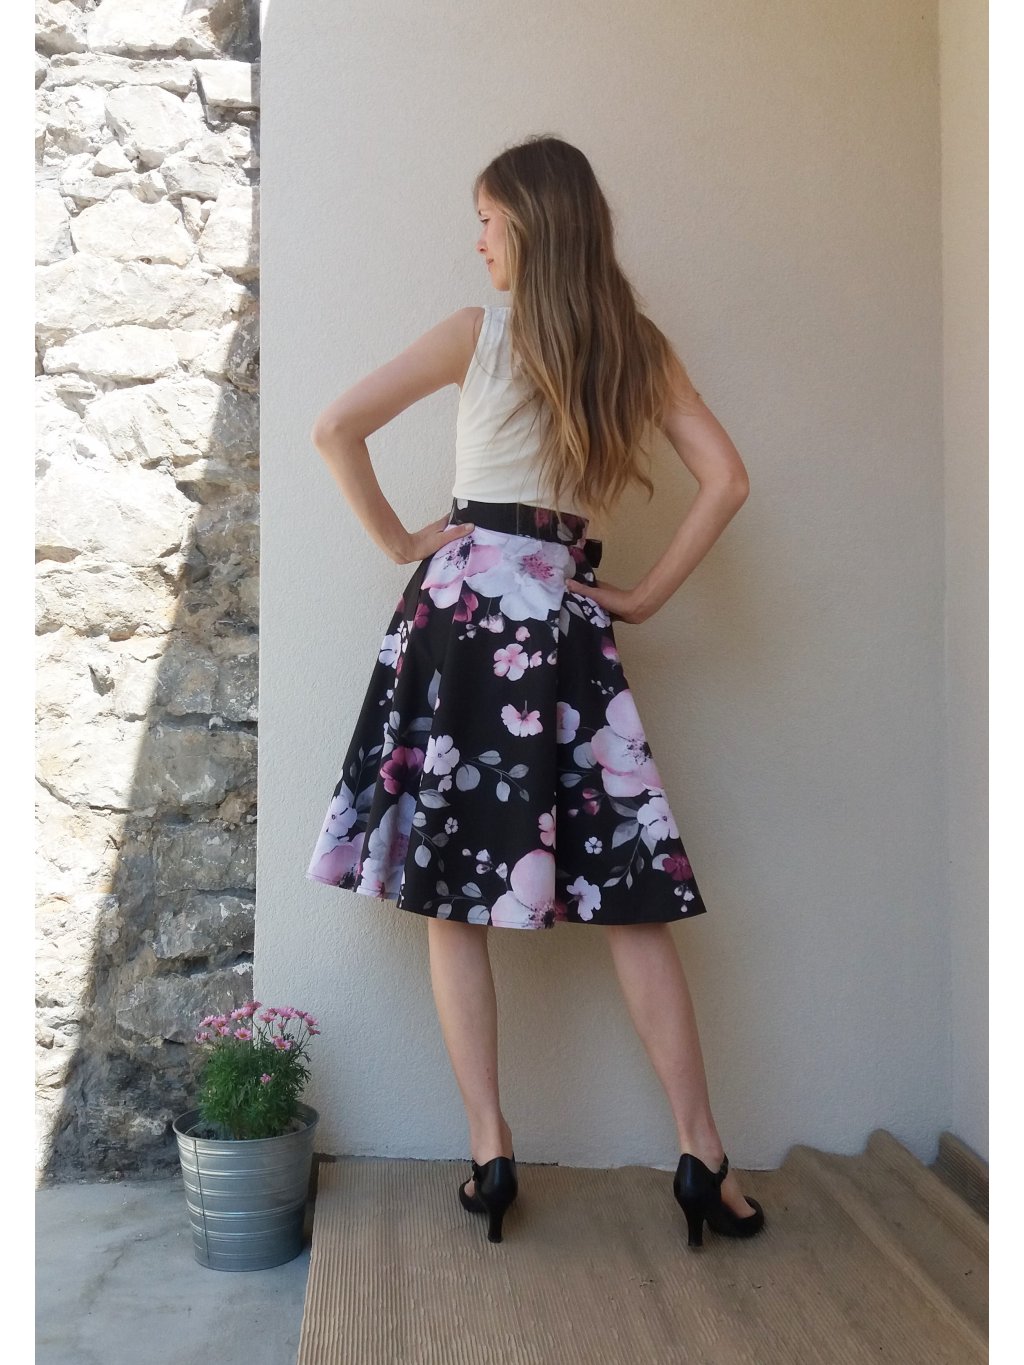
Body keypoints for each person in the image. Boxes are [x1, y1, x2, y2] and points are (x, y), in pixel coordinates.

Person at [306, 135, 765, 1248]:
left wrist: (401, 541)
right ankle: (704, 1155)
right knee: (630, 893)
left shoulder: (476, 334)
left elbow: (333, 427)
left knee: (449, 897)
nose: (477, 241)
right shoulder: (635, 350)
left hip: (463, 618)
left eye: (487, 219)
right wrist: (640, 596)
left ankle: (490, 1149)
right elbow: (727, 479)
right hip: (561, 622)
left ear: (529, 223)